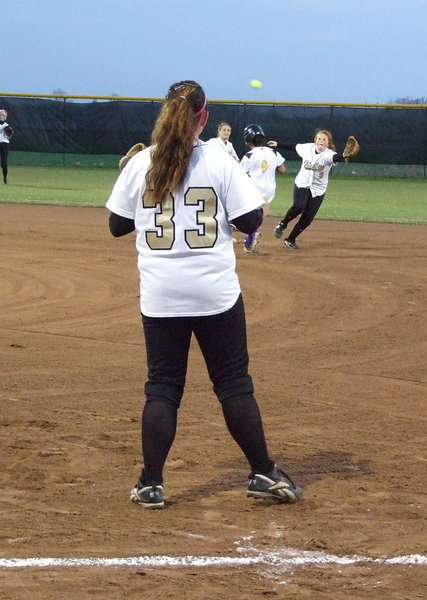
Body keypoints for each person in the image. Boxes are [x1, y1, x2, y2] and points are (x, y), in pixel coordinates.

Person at [105, 80, 302, 508]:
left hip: (160, 296)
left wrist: (136, 182)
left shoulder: (142, 164)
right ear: (204, 118)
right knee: (233, 384)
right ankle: (264, 473)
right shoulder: (218, 160)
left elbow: (117, 226)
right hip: (215, 293)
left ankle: (151, 483)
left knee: (163, 388)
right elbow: (250, 221)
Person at [268, 129, 348, 250]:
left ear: (328, 143)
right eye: (319, 138)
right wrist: (278, 144)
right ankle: (283, 224)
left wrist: (344, 156)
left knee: (308, 218)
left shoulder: (328, 154)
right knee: (299, 206)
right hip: (303, 183)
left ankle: (290, 240)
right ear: (315, 140)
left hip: (318, 189)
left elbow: (336, 158)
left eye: (324, 139)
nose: (321, 141)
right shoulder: (307, 148)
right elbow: (293, 147)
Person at [239, 123, 286, 254]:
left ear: (248, 140)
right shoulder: (273, 152)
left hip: (254, 189)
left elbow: (240, 175)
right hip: (269, 191)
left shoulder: (249, 155)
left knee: (242, 214)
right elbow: (283, 169)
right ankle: (249, 241)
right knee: (258, 214)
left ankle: (252, 234)